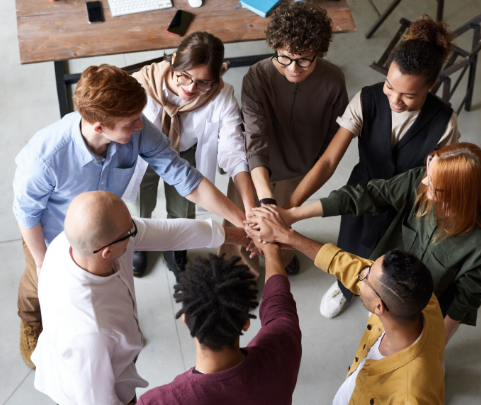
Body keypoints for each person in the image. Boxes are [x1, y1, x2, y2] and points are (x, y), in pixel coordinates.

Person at [12, 64, 247, 369]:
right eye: (131, 122)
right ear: (98, 126)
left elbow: (184, 177)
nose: (141, 126)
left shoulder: (136, 129)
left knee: (101, 290)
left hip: (106, 232)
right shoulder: (44, 159)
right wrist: (45, 266)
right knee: (36, 287)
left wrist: (243, 221)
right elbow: (26, 214)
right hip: (51, 235)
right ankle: (30, 322)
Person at [279, 14, 461, 318]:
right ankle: (346, 286)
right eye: (390, 86)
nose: (395, 100)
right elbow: (328, 161)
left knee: (395, 258)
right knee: (352, 244)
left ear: (431, 86)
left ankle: (382, 294)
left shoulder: (444, 122)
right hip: (362, 191)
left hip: (408, 203)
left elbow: (439, 177)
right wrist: (290, 209)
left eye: (409, 95)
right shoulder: (367, 99)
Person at [247, 143, 481, 343]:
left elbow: (463, 302)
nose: (424, 181)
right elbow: (367, 196)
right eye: (429, 171)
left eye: (435, 186)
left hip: (422, 312)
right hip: (381, 283)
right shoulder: (422, 180)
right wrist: (292, 215)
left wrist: (434, 345)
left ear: (459, 195)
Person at [31, 191, 248, 405]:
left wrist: (240, 235)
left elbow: (169, 233)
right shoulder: (91, 333)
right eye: (130, 229)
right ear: (107, 251)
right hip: (90, 387)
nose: (135, 229)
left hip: (109, 354)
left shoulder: (78, 241)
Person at [245, 206, 445, 404]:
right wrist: (289, 237)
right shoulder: (421, 300)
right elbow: (347, 264)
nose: (360, 273)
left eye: (366, 278)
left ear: (379, 307)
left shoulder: (411, 396)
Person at [218, 0, 349, 278]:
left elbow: (332, 139)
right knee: (245, 223)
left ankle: (284, 255)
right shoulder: (257, 76)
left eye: (303, 60)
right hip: (255, 169)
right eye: (284, 58)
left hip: (297, 170)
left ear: (319, 52)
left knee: (285, 226)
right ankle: (242, 274)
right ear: (275, 48)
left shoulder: (334, 81)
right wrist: (265, 201)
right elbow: (254, 137)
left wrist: (307, 174)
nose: (293, 68)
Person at [128, 31, 256, 280]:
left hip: (186, 153)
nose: (189, 88)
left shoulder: (221, 94)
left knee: (183, 210)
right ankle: (140, 241)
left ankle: (174, 248)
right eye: (184, 77)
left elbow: (233, 150)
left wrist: (249, 209)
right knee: (140, 203)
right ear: (174, 59)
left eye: (202, 83)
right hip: (144, 153)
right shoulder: (141, 83)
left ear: (215, 78)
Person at [138, 242, 301, 404]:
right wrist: (271, 249)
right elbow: (279, 302)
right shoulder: (284, 345)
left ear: (186, 320)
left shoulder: (157, 401)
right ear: (245, 322)